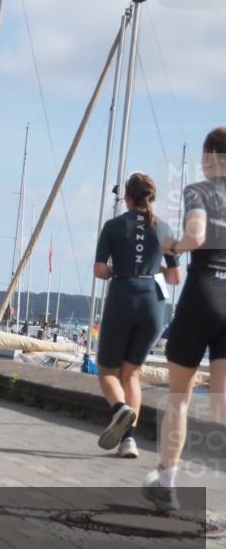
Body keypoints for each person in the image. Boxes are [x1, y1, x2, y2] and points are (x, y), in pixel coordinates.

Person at [144, 128, 226, 511]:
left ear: (209, 157)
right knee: (221, 404)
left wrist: (172, 246)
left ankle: (166, 483)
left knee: (179, 398)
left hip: (203, 294)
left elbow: (195, 236)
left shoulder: (200, 191)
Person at [93, 172, 182, 458]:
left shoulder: (113, 226)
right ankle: (128, 442)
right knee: (131, 373)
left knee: (108, 372)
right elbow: (175, 278)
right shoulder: (165, 228)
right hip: (153, 304)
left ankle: (120, 409)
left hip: (123, 296)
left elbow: (100, 270)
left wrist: (116, 269)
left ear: (127, 197)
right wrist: (156, 268)